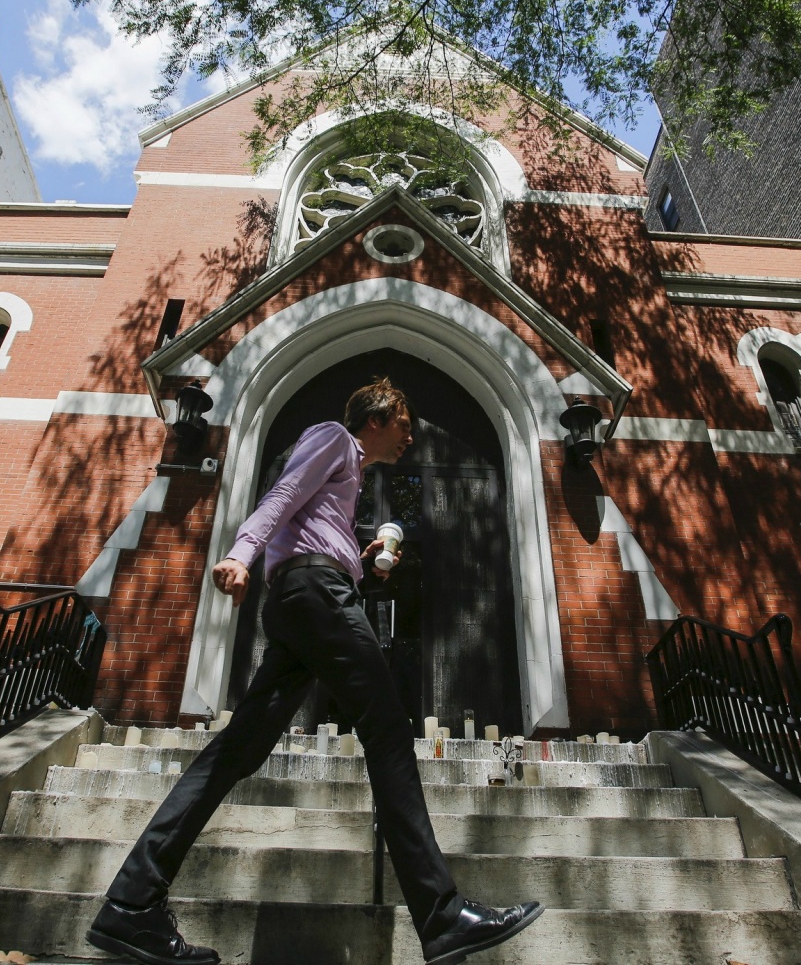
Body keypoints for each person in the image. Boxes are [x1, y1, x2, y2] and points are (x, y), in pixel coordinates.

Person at [85, 378, 542, 965]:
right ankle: (442, 913)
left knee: (236, 751)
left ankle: (130, 905)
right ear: (379, 416)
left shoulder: (349, 480)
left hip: (308, 599)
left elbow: (313, 524)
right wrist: (241, 551)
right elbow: (282, 493)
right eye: (406, 424)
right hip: (317, 596)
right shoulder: (332, 437)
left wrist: (365, 559)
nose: (410, 436)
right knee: (387, 731)